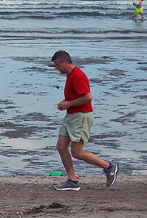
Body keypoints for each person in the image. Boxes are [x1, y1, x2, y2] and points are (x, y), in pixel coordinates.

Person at [50, 50, 119, 191]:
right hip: (71, 116)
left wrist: (68, 104)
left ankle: (109, 167)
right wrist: (65, 102)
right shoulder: (69, 75)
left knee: (77, 152)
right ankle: (72, 181)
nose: (56, 68)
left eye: (57, 65)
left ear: (65, 63)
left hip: (81, 116)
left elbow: (88, 97)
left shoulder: (77, 75)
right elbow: (76, 96)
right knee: (61, 146)